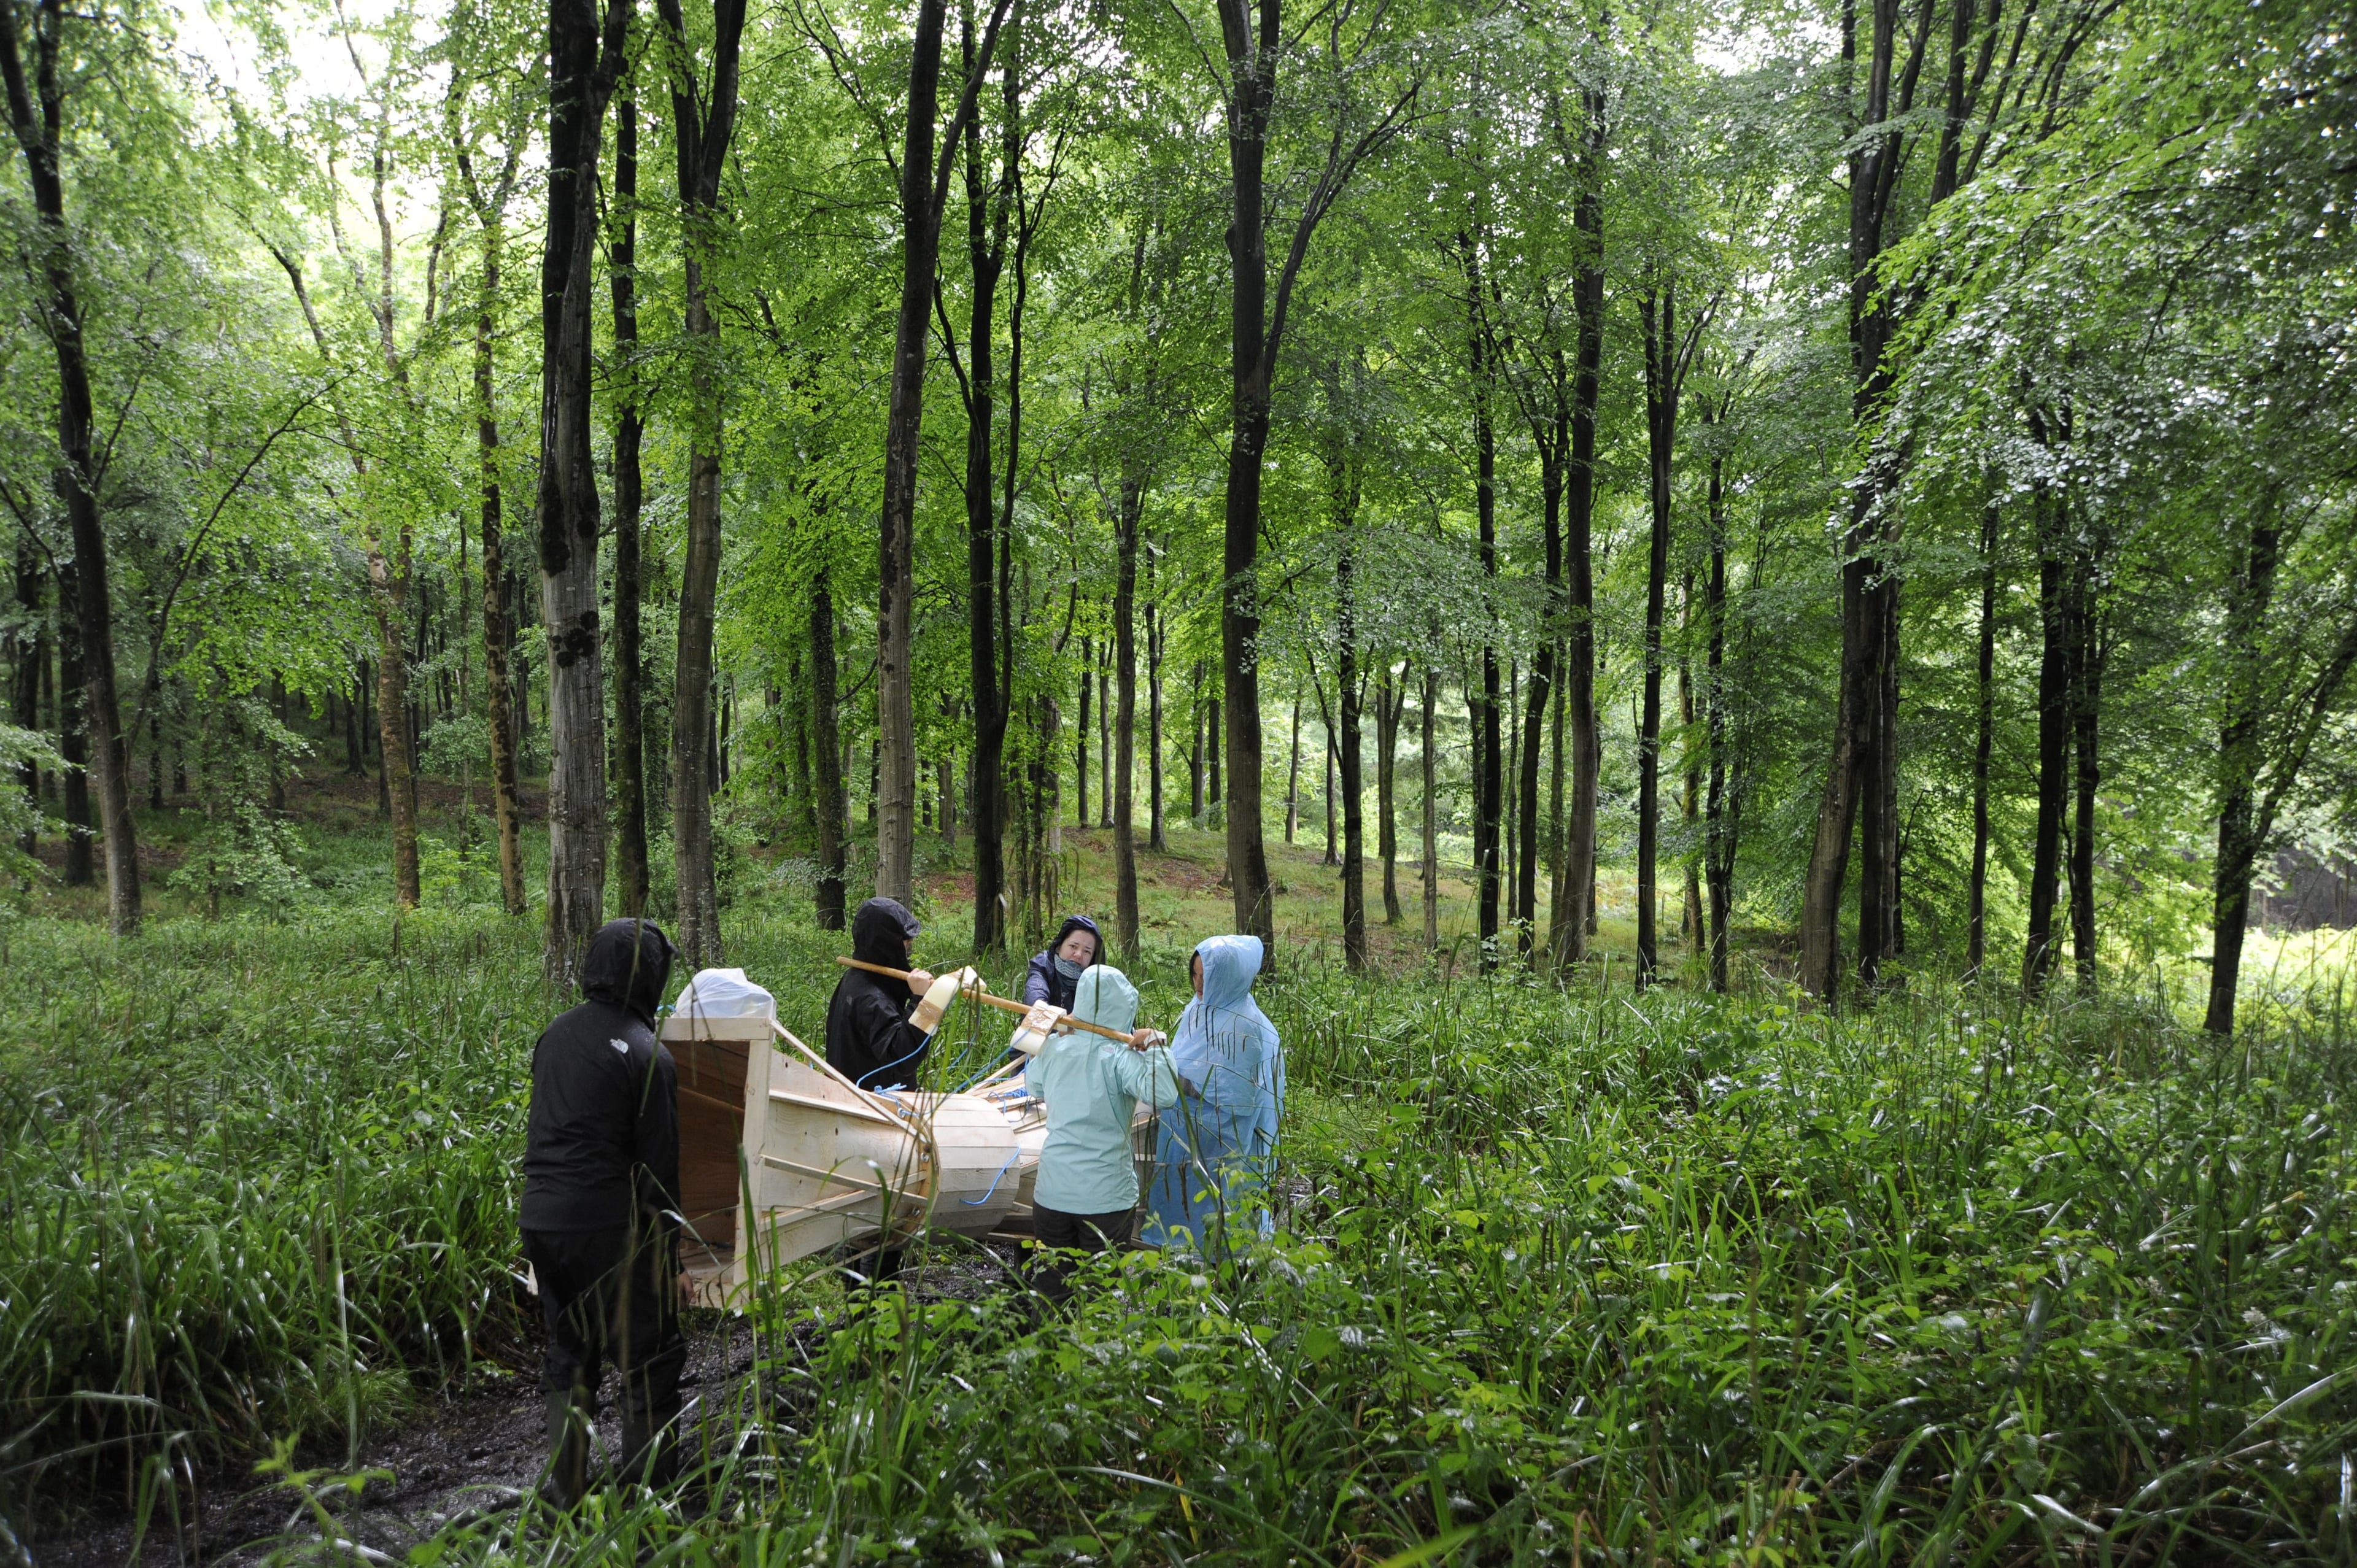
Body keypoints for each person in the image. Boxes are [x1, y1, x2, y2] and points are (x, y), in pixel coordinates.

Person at [520, 917, 688, 1505]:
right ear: (651, 977)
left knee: (570, 1355)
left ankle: (564, 1496)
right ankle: (649, 1505)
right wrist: (672, 1263)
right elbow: (658, 1174)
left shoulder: (555, 1035)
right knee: (650, 1358)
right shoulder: (649, 1055)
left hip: (542, 1220)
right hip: (608, 1227)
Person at [1026, 964, 1182, 1300]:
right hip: (1105, 1199)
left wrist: (1055, 1038)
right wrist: (1156, 1046)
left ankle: (1047, 1348)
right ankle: (1094, 1351)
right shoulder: (1120, 1059)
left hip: (1052, 1193)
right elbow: (1166, 1094)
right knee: (1099, 1294)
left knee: (1052, 1288)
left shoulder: (1055, 1047)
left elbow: (1031, 1083)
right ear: (1124, 1008)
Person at [1143, 935, 1285, 1251]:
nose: (1199, 985)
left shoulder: (1246, 1026)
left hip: (1220, 1142)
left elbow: (1235, 1102)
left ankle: (1222, 1256)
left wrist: (1171, 1075)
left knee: (1218, 1206)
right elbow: (1187, 1060)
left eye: (1208, 978)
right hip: (1186, 1131)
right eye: (1195, 975)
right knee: (1182, 1200)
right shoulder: (1200, 1007)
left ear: (1229, 979)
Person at [825, 897, 940, 1091]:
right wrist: (922, 1002)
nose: (909, 946)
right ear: (888, 944)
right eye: (905, 942)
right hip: (875, 1106)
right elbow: (904, 1060)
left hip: (851, 1093)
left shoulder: (854, 978)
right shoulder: (873, 1000)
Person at [1023, 914, 1104, 1012]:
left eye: (1087, 951)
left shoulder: (1096, 981)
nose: (1078, 955)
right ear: (1059, 946)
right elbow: (1035, 998)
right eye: (1073, 946)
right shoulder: (1042, 965)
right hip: (1037, 1025)